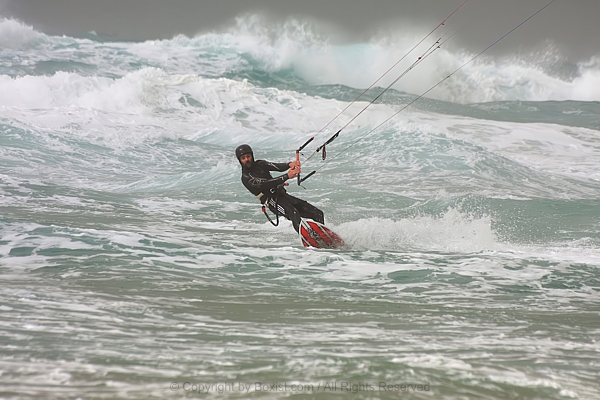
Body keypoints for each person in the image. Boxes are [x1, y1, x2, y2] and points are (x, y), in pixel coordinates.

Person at [235, 144, 324, 233]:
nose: (246, 159)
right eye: (243, 158)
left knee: (317, 213)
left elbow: (277, 166)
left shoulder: (260, 164)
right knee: (293, 212)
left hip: (283, 195)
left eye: (248, 156)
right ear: (240, 160)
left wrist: (290, 164)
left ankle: (323, 235)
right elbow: (266, 184)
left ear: (252, 156)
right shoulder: (246, 178)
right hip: (272, 201)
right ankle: (309, 237)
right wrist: (287, 176)